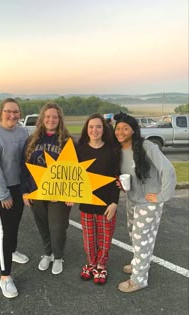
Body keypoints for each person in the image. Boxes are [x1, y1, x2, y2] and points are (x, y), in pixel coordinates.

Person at [113, 112, 176, 293]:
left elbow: (168, 170)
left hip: (148, 203)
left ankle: (139, 279)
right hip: (133, 199)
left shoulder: (146, 146)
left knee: (142, 240)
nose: (121, 132)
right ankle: (138, 263)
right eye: (118, 128)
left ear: (133, 130)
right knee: (135, 236)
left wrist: (162, 196)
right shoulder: (120, 150)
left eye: (125, 128)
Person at [0, 98, 29, 299]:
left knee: (14, 225)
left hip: (18, 188)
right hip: (1, 190)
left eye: (16, 112)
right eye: (8, 111)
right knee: (3, 232)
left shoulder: (22, 131)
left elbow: (26, 160)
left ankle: (12, 251)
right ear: (1, 113)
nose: (13, 115)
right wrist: (3, 194)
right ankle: (5, 277)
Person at [21, 102, 72, 275]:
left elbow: (74, 170)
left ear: (60, 119)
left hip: (58, 195)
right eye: (48, 116)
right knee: (42, 225)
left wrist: (68, 193)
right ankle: (48, 253)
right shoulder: (32, 140)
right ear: (42, 118)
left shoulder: (67, 141)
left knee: (57, 227)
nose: (51, 120)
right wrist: (24, 191)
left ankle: (58, 257)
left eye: (55, 117)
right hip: (36, 193)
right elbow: (24, 168)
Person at [76, 113, 120, 284]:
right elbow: (71, 177)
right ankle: (91, 263)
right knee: (89, 240)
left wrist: (115, 203)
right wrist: (68, 195)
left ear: (104, 129)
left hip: (107, 204)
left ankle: (102, 265)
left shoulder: (112, 151)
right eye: (91, 127)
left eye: (98, 126)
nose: (94, 130)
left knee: (105, 238)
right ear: (86, 129)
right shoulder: (79, 150)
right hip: (86, 204)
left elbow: (117, 178)